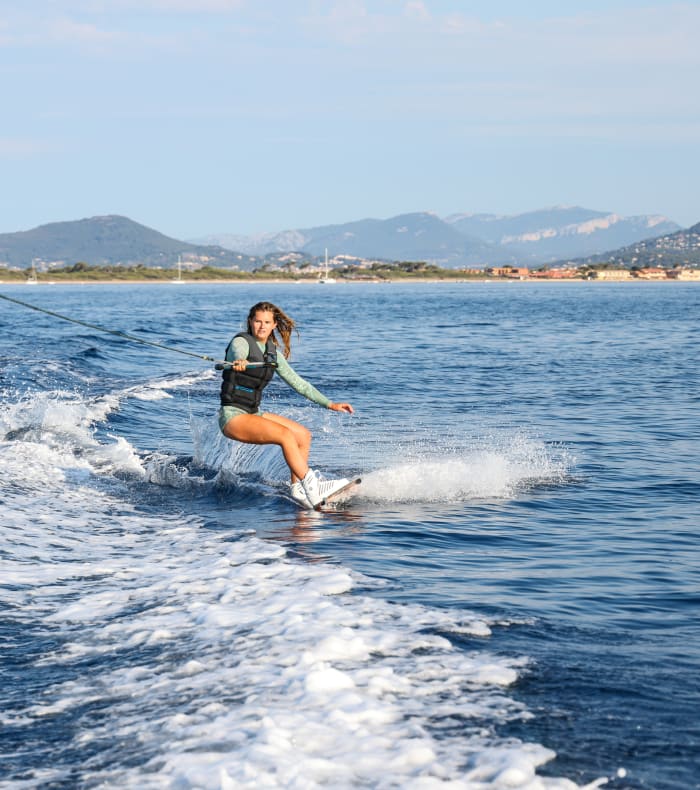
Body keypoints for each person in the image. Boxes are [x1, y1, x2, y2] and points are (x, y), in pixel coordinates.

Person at [218, 301, 354, 509]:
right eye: (258, 321)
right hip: (232, 417)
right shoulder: (241, 342)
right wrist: (240, 361)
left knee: (303, 435)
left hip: (253, 413)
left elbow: (299, 383)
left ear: (274, 325)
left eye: (267, 322)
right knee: (285, 435)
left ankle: (298, 489)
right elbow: (238, 352)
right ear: (250, 322)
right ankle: (312, 487)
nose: (262, 326)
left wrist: (330, 404)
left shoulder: (273, 354)